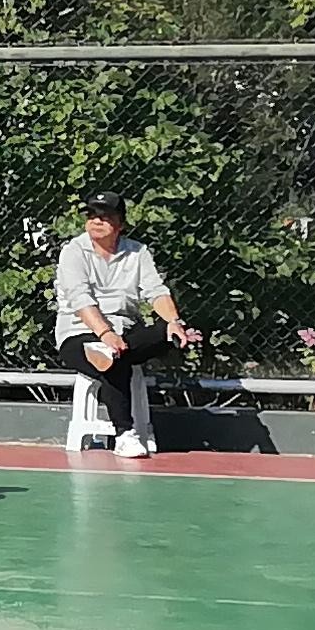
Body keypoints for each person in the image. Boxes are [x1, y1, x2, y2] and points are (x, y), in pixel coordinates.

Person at [58, 194, 203, 458]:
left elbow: (156, 291)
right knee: (114, 359)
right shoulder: (73, 251)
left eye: (105, 217)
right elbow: (80, 299)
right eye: (92, 216)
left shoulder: (138, 252)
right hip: (79, 334)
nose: (97, 221)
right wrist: (105, 334)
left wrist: (174, 322)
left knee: (162, 334)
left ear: (121, 224)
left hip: (124, 334)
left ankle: (124, 350)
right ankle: (125, 434)